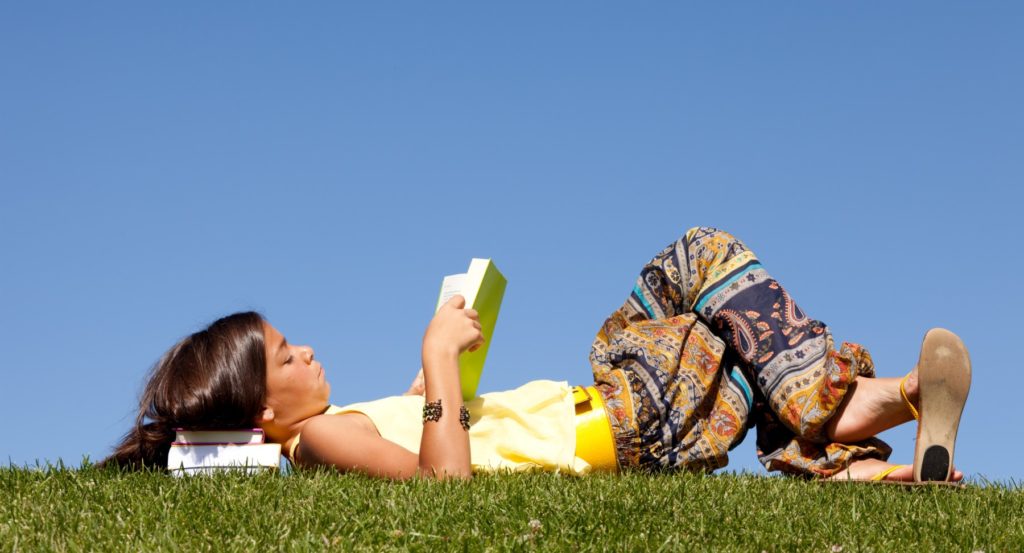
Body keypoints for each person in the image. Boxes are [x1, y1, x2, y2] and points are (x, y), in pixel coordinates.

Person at [102, 227, 971, 483]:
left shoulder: (339, 425)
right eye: (288, 356)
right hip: (620, 429)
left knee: (719, 322)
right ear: (261, 412)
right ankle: (858, 406)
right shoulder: (317, 445)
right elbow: (446, 487)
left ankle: (843, 445)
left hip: (622, 411)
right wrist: (437, 361)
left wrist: (432, 383)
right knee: (705, 265)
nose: (310, 351)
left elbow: (432, 439)